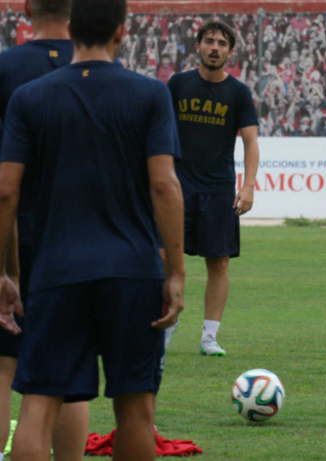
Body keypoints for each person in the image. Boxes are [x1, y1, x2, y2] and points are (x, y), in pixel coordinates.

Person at [0, 0, 185, 458]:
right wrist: (176, 273)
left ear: (73, 29)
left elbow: (6, 193)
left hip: (55, 268)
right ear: (122, 32)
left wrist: (6, 272)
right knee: (136, 408)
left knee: (40, 403)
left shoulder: (31, 97)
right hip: (132, 269)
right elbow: (164, 186)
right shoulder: (150, 94)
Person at [0, 1, 91, 459]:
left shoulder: (4, 67)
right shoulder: (95, 72)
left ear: (27, 9)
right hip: (75, 242)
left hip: (14, 231)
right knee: (69, 377)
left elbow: (4, 186)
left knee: (2, 367)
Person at [166, 20, 260, 357]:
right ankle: (168, 323)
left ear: (230, 52)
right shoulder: (177, 84)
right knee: (165, 257)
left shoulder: (238, 93)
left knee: (218, 263)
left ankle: (209, 337)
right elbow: (158, 130)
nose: (215, 47)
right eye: (209, 41)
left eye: (222, 43)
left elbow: (251, 142)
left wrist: (248, 186)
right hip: (177, 187)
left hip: (219, 189)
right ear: (198, 46)